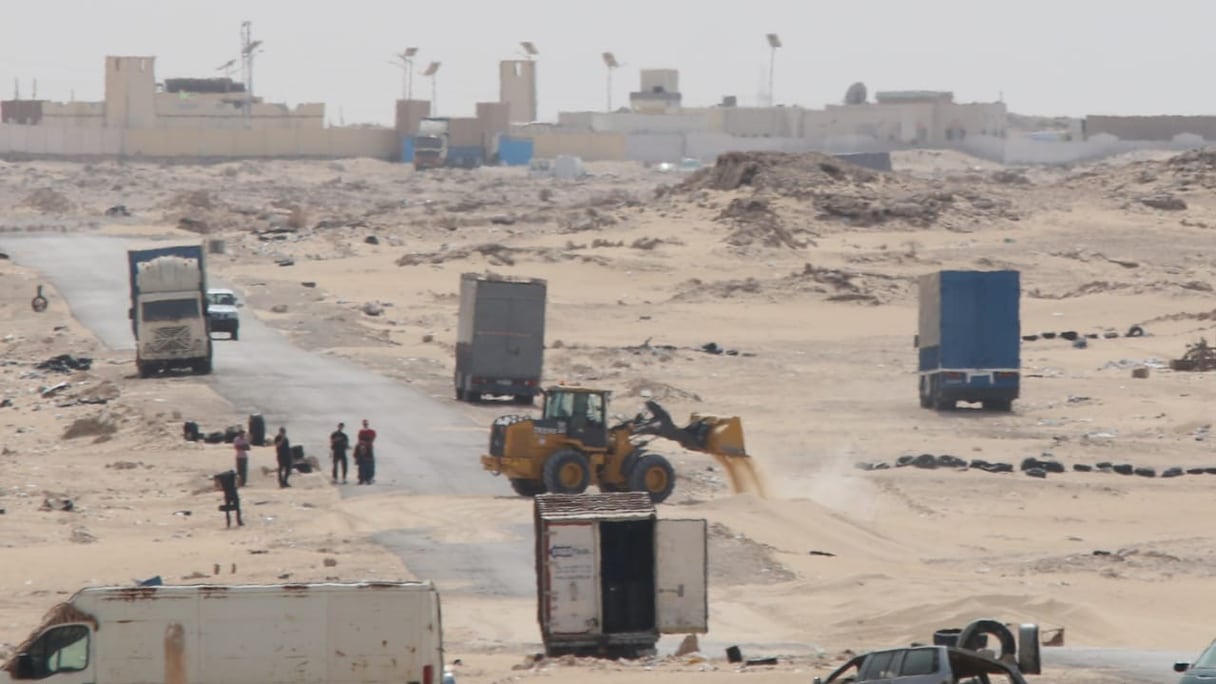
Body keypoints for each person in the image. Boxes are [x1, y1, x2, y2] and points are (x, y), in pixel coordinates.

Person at [356, 419, 376, 485]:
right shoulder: (361, 432)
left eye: (366, 424)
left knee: (370, 464)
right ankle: (362, 478)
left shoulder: (371, 431)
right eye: (364, 424)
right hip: (362, 449)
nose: (365, 425)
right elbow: (359, 440)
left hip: (369, 449)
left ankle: (369, 478)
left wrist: (365, 444)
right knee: (362, 464)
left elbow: (372, 439)